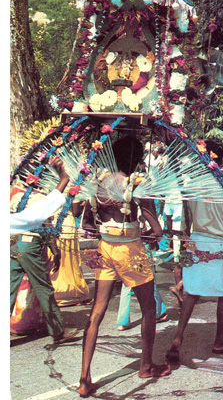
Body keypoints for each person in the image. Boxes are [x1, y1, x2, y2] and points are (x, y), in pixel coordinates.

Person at [77, 136, 171, 398]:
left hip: (105, 248)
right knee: (150, 308)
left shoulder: (99, 183)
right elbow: (157, 229)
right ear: (136, 159)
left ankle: (84, 379)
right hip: (131, 250)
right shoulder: (136, 184)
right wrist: (148, 232)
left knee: (97, 311)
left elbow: (86, 224)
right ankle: (146, 365)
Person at [165, 140, 223, 363]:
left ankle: (178, 338)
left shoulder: (193, 184)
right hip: (219, 243)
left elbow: (186, 221)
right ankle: (219, 340)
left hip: (196, 239)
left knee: (192, 292)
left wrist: (186, 248)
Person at [10, 155, 82, 343]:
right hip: (30, 246)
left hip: (13, 245)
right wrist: (55, 250)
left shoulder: (16, 195)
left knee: (8, 288)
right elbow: (47, 228)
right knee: (44, 288)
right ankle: (58, 332)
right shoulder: (40, 199)